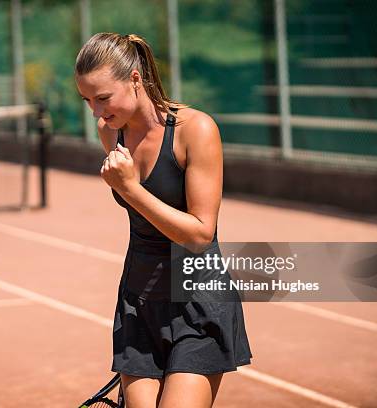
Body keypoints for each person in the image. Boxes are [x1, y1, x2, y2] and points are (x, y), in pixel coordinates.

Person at [74, 32, 252, 408]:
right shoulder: (111, 131)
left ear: (135, 79)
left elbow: (201, 234)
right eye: (87, 100)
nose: (96, 112)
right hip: (138, 303)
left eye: (103, 98)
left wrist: (130, 188)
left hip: (196, 300)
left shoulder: (196, 130)